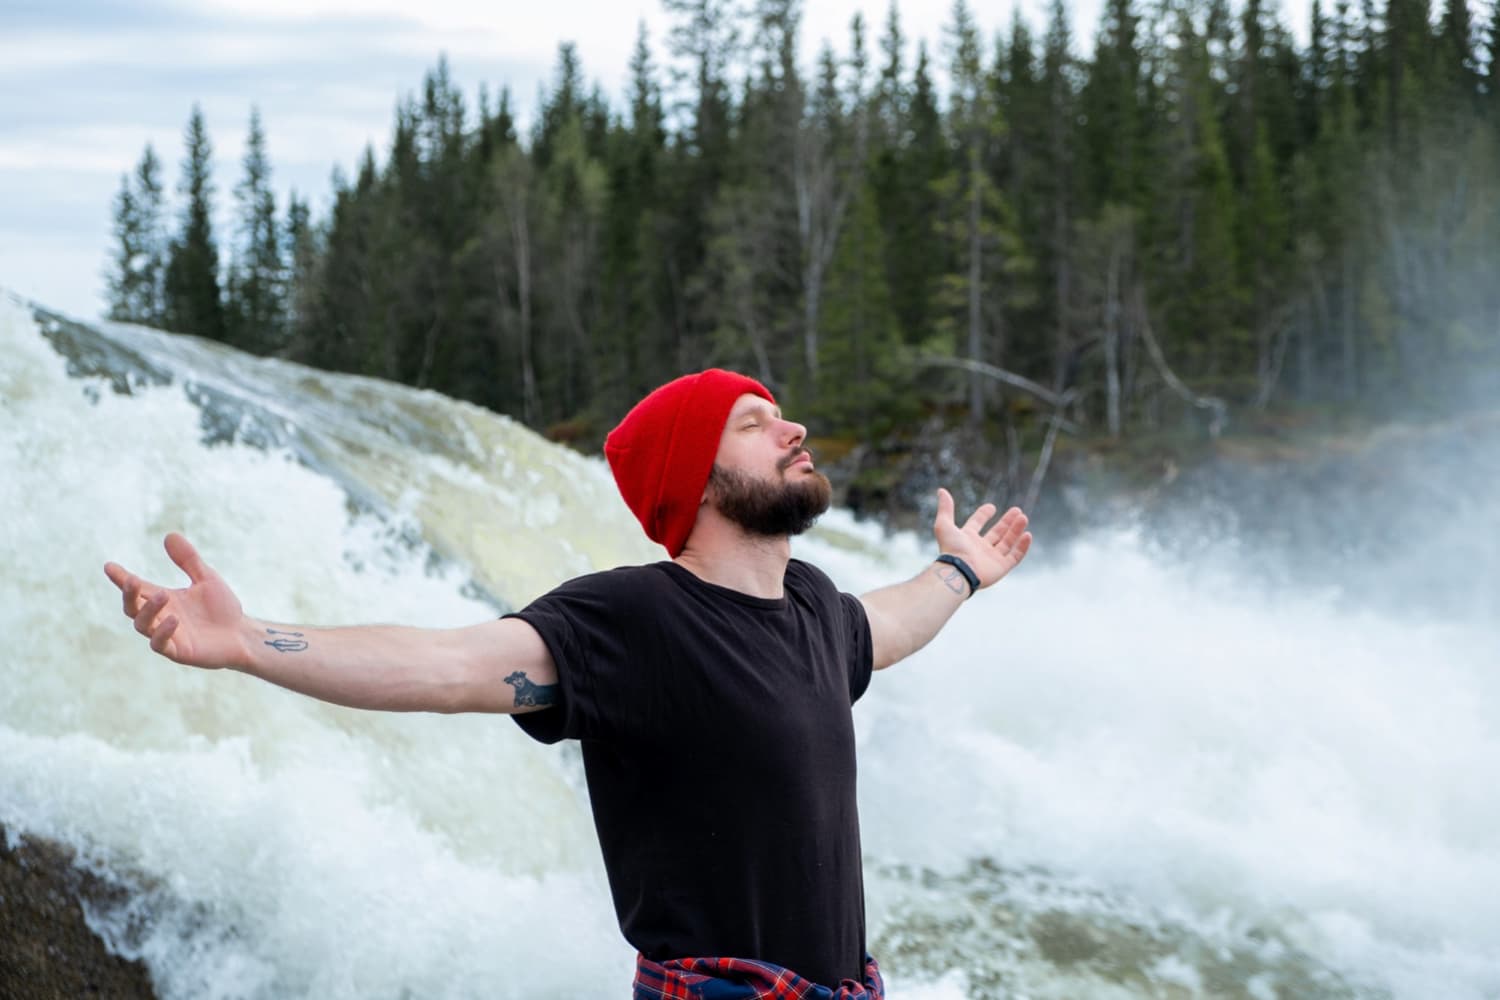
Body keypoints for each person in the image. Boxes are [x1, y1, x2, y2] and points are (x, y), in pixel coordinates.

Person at [104, 369, 1031, 999]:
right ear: (696, 481)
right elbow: (447, 665)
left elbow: (891, 623)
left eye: (779, 412)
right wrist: (251, 640)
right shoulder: (635, 619)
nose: (791, 428)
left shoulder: (815, 608)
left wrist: (959, 575)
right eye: (752, 424)